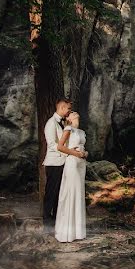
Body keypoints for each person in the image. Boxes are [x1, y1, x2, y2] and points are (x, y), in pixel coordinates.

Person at [43, 98, 77, 232]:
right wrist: (70, 152)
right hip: (54, 163)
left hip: (63, 162)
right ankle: (46, 223)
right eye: (68, 108)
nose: (70, 111)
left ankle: (57, 221)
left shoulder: (64, 122)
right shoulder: (51, 123)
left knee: (59, 193)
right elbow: (52, 145)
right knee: (51, 192)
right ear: (62, 108)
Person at [54, 112, 88, 243]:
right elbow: (60, 146)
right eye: (71, 113)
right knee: (71, 193)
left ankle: (77, 232)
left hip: (81, 163)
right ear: (68, 118)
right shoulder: (68, 129)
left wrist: (85, 153)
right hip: (72, 163)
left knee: (79, 194)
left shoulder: (82, 132)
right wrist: (75, 153)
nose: (74, 113)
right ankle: (66, 233)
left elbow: (83, 148)